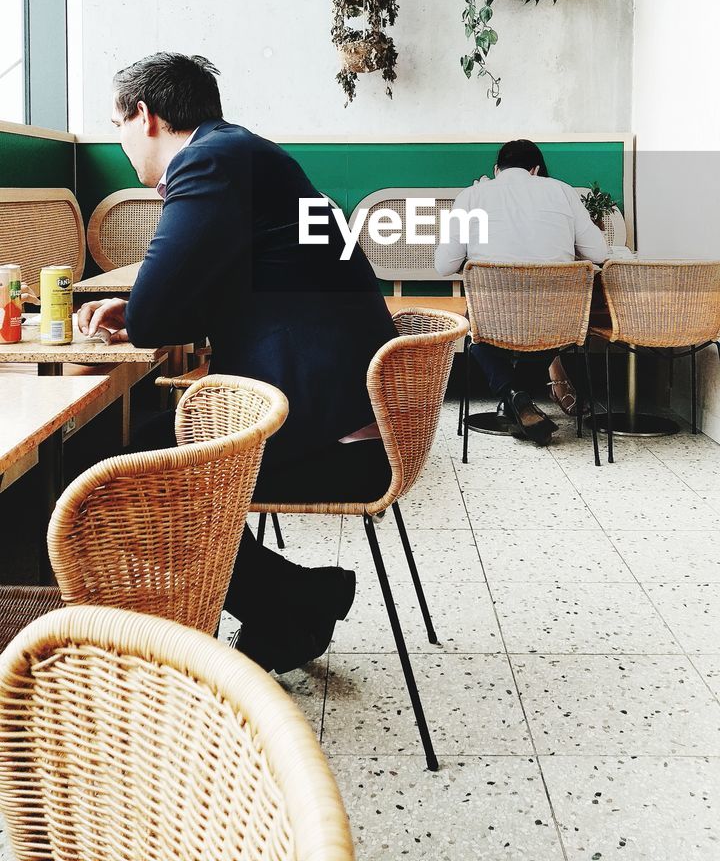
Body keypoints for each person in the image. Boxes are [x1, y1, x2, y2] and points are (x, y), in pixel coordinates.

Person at [78, 52, 397, 672]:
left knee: (112, 471)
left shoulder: (207, 162)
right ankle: (294, 600)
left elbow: (155, 314)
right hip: (347, 409)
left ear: (144, 116)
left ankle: (291, 599)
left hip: (335, 436)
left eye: (117, 125)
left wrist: (141, 311)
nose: (121, 143)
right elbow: (226, 292)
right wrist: (143, 308)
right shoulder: (244, 154)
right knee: (133, 450)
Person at [434, 138, 608, 446]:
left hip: (492, 319)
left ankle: (513, 396)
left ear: (496, 169)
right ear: (536, 169)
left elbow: (444, 265)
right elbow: (598, 252)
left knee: (477, 332)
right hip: (554, 322)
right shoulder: (563, 192)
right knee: (547, 331)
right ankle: (518, 398)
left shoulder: (472, 196)